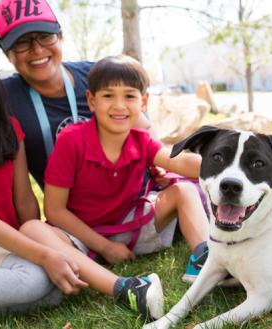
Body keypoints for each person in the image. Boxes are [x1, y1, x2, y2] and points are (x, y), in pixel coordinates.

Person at [0, 24, 162, 322]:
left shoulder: (6, 129)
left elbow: (25, 203)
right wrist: (44, 255)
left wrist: (45, 242)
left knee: (56, 284)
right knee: (37, 277)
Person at [40, 55, 210, 282]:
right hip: (79, 235)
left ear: (143, 102)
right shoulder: (71, 140)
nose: (119, 105)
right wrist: (105, 247)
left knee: (185, 190)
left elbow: (179, 162)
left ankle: (205, 259)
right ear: (91, 100)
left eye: (129, 96)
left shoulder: (142, 140)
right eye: (108, 95)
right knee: (43, 235)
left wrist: (225, 162)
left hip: (129, 225)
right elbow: (54, 211)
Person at [0, 0, 154, 189]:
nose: (37, 49)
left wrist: (160, 167)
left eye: (44, 36)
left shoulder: (97, 76)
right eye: (21, 42)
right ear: (6, 53)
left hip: (138, 195)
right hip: (71, 212)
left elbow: (145, 130)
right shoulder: (1, 97)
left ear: (60, 36)